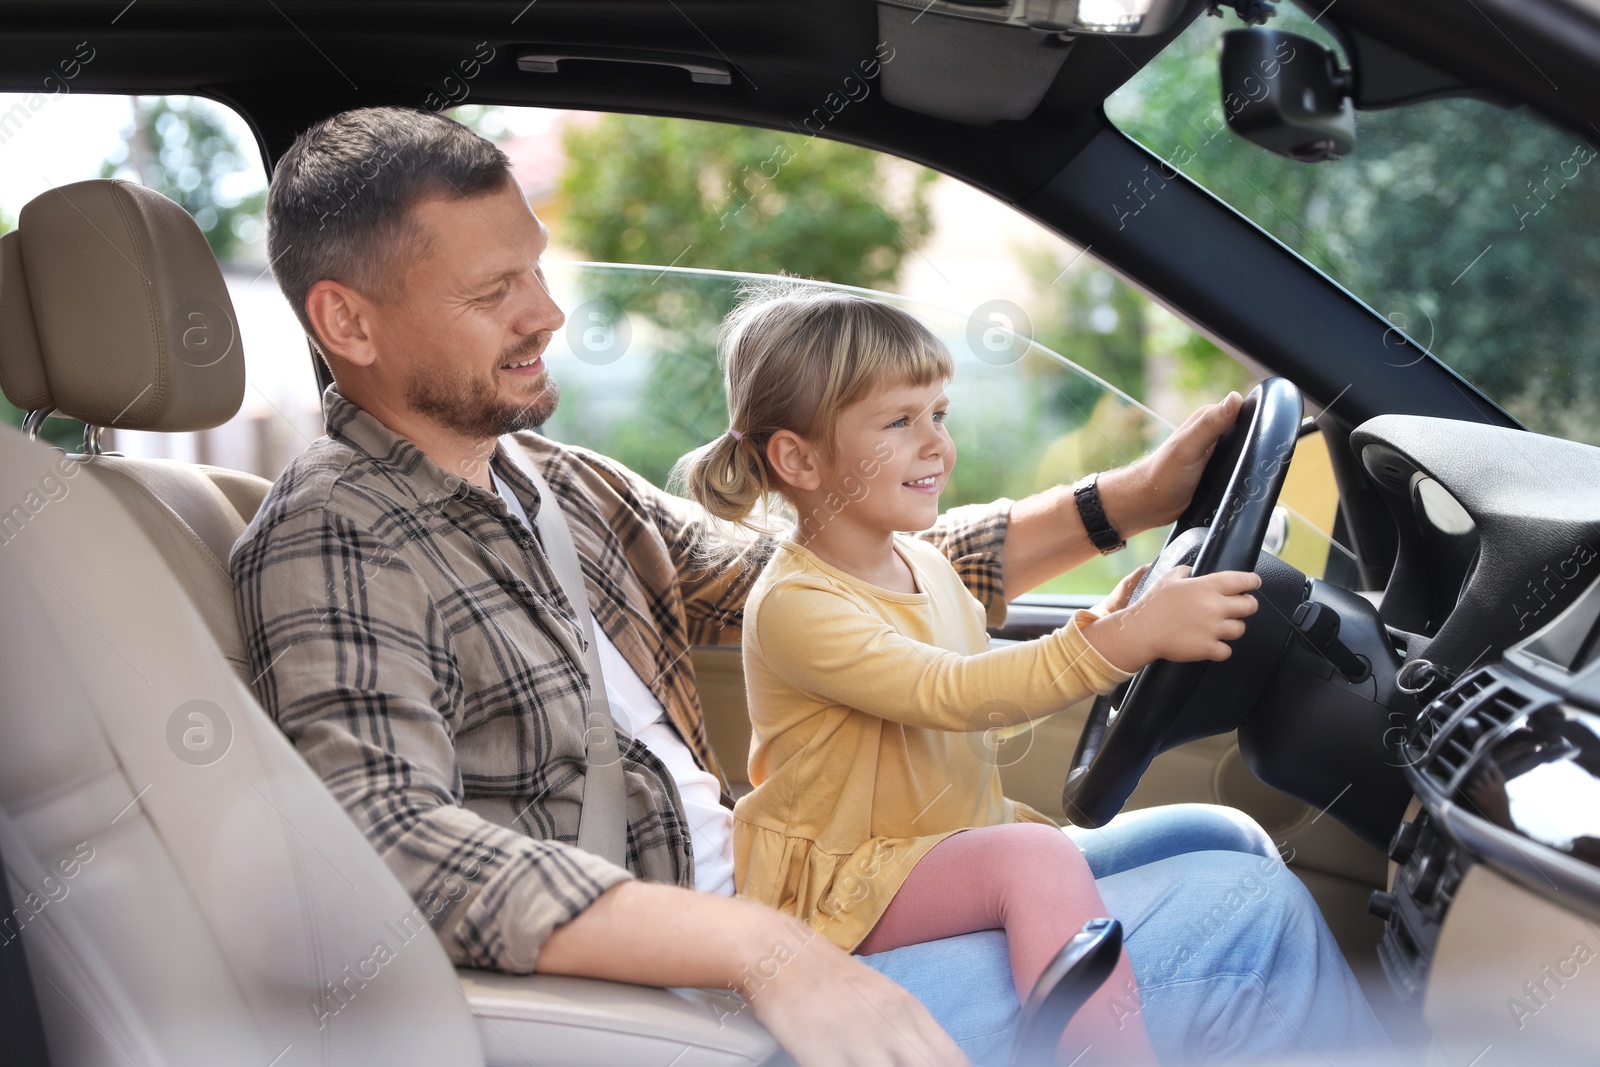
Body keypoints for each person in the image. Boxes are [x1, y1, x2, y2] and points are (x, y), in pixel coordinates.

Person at [233, 105, 1386, 1066]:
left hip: (761, 905)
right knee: (1245, 921)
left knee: (1227, 844)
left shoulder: (555, 483)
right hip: (652, 1006)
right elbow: (384, 841)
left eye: (536, 270)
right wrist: (766, 954)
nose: (546, 314)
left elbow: (826, 565)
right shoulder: (333, 534)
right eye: (495, 293)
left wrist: (1121, 503)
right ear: (348, 319)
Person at [676, 287, 1267, 1064]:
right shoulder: (797, 604)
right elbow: (952, 693)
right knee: (1035, 857)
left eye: (939, 414)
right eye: (899, 421)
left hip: (931, 851)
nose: (937, 444)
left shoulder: (920, 561)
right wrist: (1122, 641)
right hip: (845, 889)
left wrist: (1109, 620)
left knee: (1218, 834)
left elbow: (983, 678)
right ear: (799, 458)